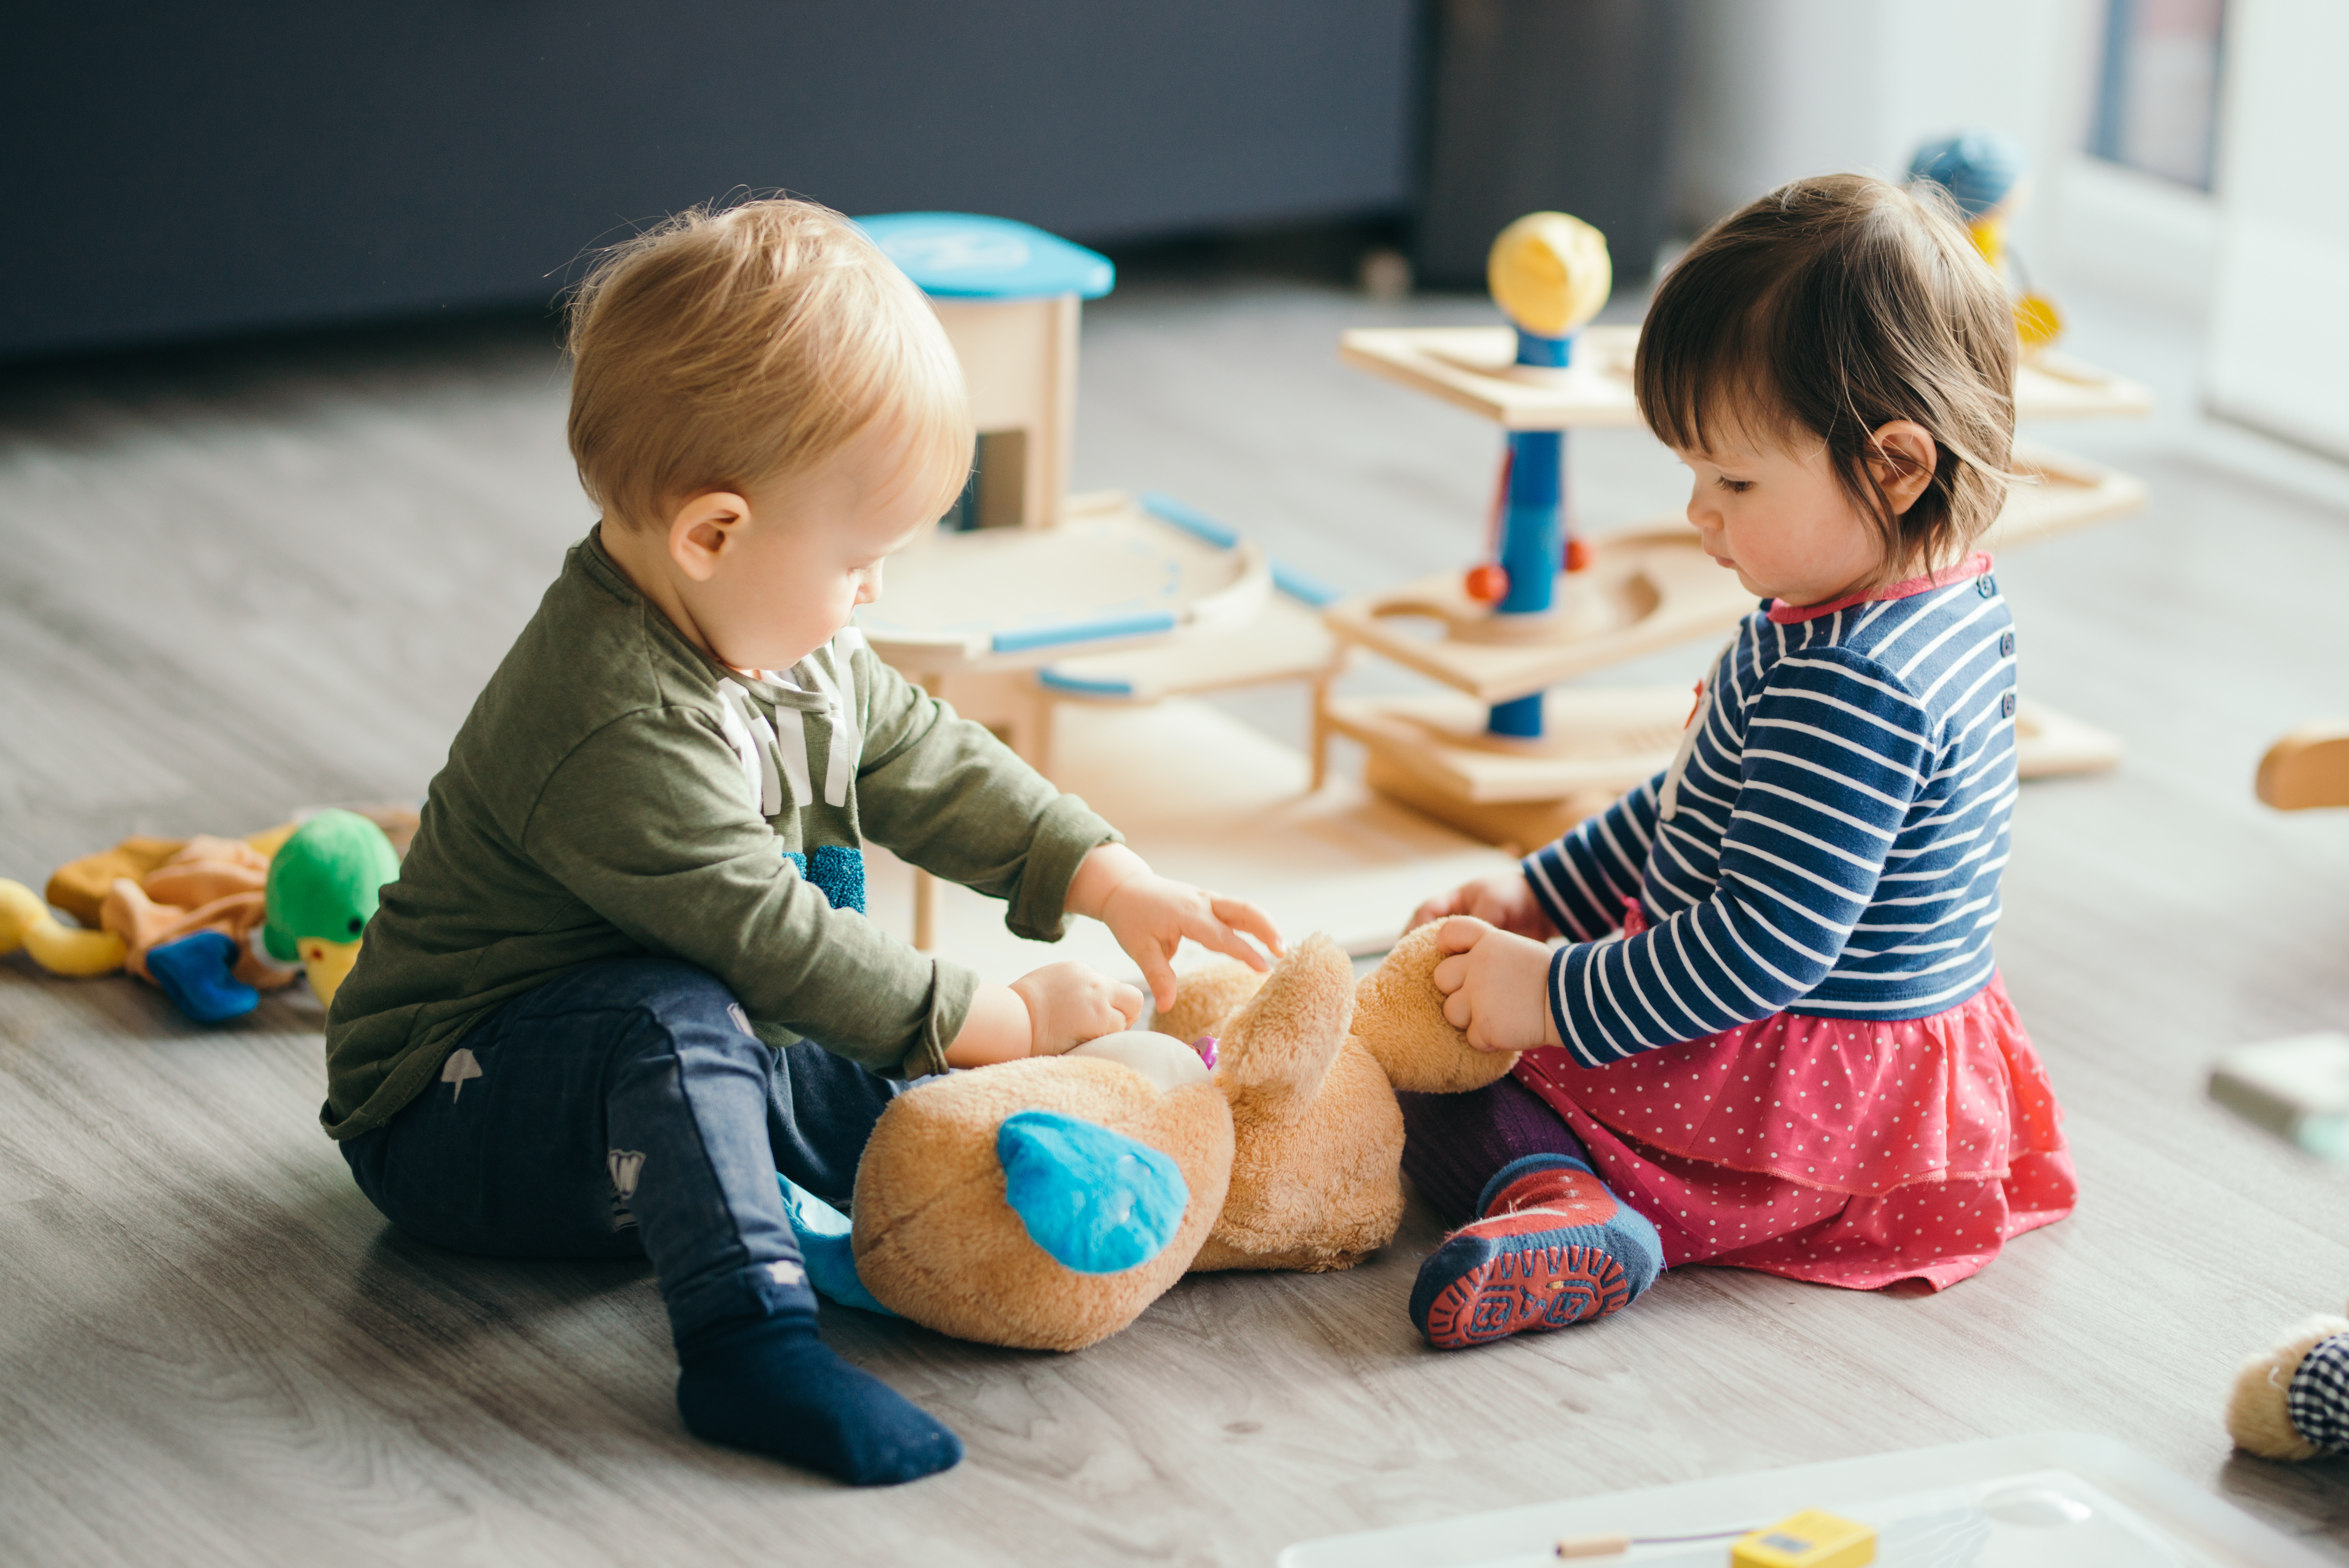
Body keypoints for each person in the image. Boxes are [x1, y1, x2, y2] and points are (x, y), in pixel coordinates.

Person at [320, 198, 1280, 1483]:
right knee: (693, 1013)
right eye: (861, 558)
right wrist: (1002, 1018)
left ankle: (1050, 1202)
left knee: (852, 1082)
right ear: (714, 534)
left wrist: (1108, 875)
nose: (875, 593)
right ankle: (748, 1344)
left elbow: (924, 757)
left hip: (669, 1054)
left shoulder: (792, 638)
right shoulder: (610, 718)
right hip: (451, 1114)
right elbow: (769, 945)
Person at [1400, 173, 2076, 1350]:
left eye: (1737, 481)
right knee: (1469, 1013)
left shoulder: (1853, 678)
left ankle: (1569, 1202)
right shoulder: (1909, 597)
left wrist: (1550, 994)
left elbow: (1759, 948)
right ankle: (1580, 1184)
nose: (1701, 514)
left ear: (1897, 467)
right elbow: (1699, 797)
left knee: (1440, 1079)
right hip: (1877, 1076)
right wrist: (1545, 890)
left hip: (1792, 1103)